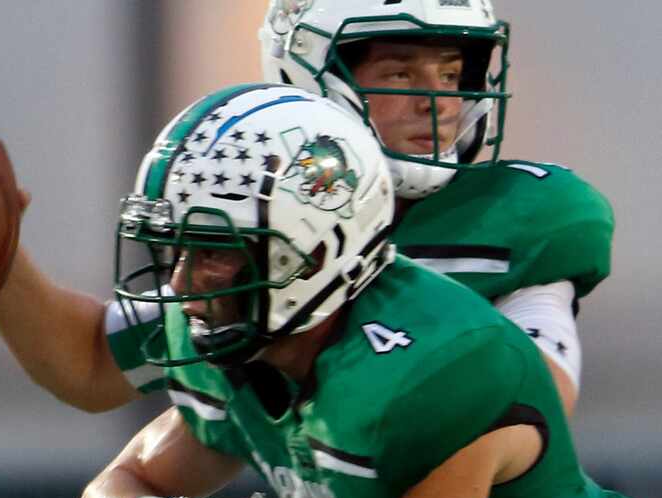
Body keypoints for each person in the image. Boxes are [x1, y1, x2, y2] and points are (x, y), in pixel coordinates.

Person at [66, 84, 661, 498]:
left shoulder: (438, 367)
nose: (181, 285)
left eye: (216, 251)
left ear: (313, 250)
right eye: (181, 249)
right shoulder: (242, 339)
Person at [257, 0, 614, 416]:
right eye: (400, 73)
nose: (439, 102)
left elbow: (533, 408)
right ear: (310, 77)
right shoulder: (259, 219)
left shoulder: (512, 215)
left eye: (450, 74)